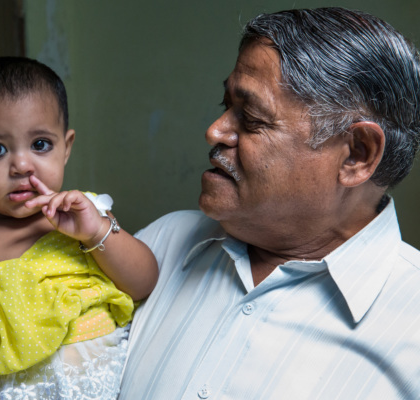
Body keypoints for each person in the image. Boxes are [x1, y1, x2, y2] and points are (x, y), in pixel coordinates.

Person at [119, 7, 420, 400]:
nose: (215, 131)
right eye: (225, 105)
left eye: (253, 119)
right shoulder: (157, 248)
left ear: (356, 156)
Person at [0, 57, 158, 400]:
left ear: (65, 148)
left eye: (40, 144)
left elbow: (143, 284)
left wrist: (96, 233)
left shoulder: (85, 215)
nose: (21, 165)